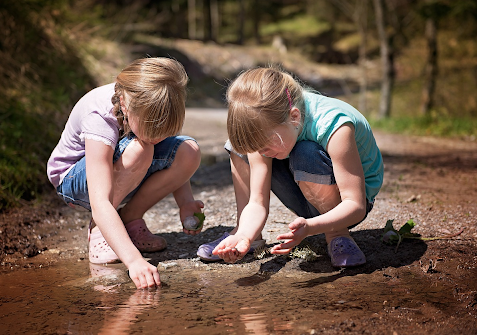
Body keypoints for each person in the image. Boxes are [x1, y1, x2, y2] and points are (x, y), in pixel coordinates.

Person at [197, 67, 383, 266]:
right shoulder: (271, 130)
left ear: (294, 117)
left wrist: (311, 227)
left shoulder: (334, 125)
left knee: (305, 152)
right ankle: (246, 231)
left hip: (346, 207)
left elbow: (356, 206)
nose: (262, 153)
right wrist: (244, 235)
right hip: (306, 196)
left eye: (266, 146)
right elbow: (257, 202)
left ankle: (337, 234)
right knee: (238, 146)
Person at [47, 57, 204, 289]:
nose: (159, 137)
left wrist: (186, 202)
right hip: (74, 180)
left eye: (165, 132)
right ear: (124, 103)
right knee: (141, 148)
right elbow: (100, 201)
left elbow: (170, 154)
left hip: (123, 168)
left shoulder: (149, 103)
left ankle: (130, 219)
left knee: (187, 151)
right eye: (153, 130)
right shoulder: (99, 117)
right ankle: (100, 229)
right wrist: (134, 261)